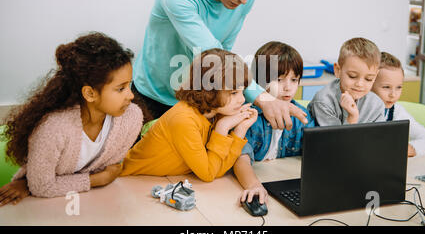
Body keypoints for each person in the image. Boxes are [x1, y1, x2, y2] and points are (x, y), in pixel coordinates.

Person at [132, 0, 307, 128]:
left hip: (195, 100)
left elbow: (225, 50)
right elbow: (214, 55)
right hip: (152, 97)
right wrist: (263, 98)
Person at [0, 32, 143, 206]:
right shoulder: (53, 129)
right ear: (90, 93)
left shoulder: (132, 117)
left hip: (92, 202)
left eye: (129, 85)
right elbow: (42, 186)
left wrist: (57, 184)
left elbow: (110, 167)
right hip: (44, 205)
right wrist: (97, 180)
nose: (131, 95)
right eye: (120, 89)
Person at [120, 48, 258, 182]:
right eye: (234, 93)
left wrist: (240, 130)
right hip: (127, 180)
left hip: (155, 181)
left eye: (242, 91)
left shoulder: (214, 114)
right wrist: (222, 127)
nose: (242, 100)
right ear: (209, 90)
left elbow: (216, 170)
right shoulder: (184, 120)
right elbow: (208, 174)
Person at [233, 41, 315, 205]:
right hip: (254, 183)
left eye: (294, 79)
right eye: (279, 79)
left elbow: (317, 150)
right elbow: (240, 158)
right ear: (259, 81)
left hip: (283, 183)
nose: (288, 88)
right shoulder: (248, 115)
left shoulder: (300, 115)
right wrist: (254, 185)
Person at [371, 52, 425, 157]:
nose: (393, 94)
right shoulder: (357, 111)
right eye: (386, 87)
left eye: (399, 87)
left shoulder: (396, 112)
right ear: (369, 84)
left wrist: (410, 149)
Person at [308, 37, 385, 126]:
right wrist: (351, 119)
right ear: (337, 71)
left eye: (368, 79)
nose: (360, 84)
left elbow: (377, 138)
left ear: (375, 76)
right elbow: (333, 139)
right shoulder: (323, 102)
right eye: (352, 76)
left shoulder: (376, 105)